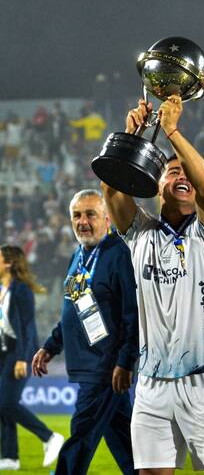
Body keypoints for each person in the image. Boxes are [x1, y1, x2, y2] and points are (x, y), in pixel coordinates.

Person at [101, 97, 204, 474]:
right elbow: (112, 191)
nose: (183, 177)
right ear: (156, 183)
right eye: (172, 171)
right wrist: (133, 136)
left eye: (186, 173)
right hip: (152, 385)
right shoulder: (140, 232)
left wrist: (173, 132)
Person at [32, 189, 138, 475]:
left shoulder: (119, 254)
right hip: (89, 363)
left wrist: (125, 362)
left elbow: (133, 315)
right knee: (127, 446)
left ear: (107, 219)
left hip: (105, 366)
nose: (83, 222)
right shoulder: (78, 256)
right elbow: (73, 313)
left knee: (80, 436)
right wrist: (50, 346)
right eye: (77, 215)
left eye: (90, 214)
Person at [0, 244, 64, 471]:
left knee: (6, 403)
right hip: (3, 353)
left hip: (19, 353)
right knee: (2, 404)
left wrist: (20, 359)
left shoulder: (21, 290)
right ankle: (10, 457)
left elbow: (27, 327)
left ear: (9, 263)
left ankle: (49, 437)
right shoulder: (2, 288)